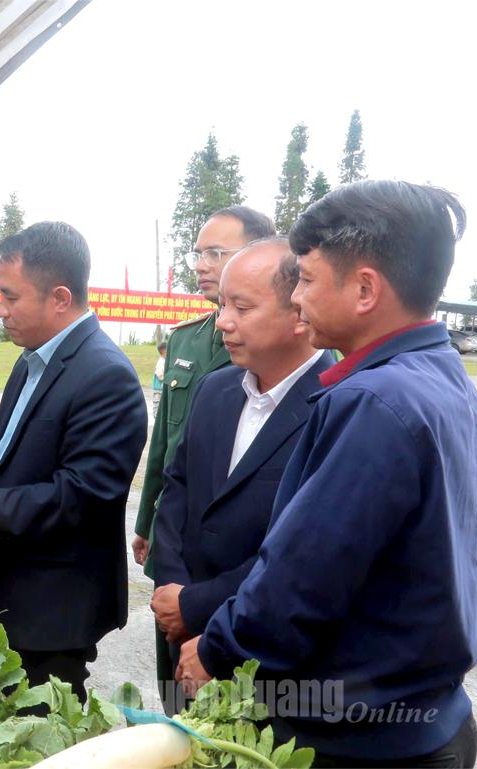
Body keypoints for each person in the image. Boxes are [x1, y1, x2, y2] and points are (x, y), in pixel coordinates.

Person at [178, 181, 477, 767]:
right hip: (430, 720)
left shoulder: (375, 399)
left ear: (366, 288)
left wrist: (216, 649)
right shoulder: (443, 376)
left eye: (309, 280)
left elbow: (301, 580)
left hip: (362, 738)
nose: (296, 299)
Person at [0, 221, 148, 699]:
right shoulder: (37, 355)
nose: (0, 311)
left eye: (10, 298)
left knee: (39, 729)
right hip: (14, 588)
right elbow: (1, 433)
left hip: (53, 607)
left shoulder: (106, 377)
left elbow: (79, 496)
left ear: (59, 298)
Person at [148, 238, 332, 714]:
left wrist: (197, 605)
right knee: (179, 745)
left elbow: (305, 553)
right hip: (179, 630)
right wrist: (173, 593)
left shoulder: (338, 408)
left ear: (299, 312)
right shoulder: (217, 388)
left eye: (242, 307)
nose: (223, 321)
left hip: (261, 658)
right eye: (222, 304)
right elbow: (177, 490)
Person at [131, 205, 273, 701]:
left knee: (235, 704)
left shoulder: (298, 354)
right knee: (174, 684)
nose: (201, 264)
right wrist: (147, 524)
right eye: (198, 253)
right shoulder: (187, 337)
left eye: (216, 252)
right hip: (176, 548)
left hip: (240, 573)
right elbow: (168, 452)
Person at [151, 340, 167, 418]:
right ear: (163, 352)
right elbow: (159, 374)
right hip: (158, 388)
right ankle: (156, 418)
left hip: (161, 388)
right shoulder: (161, 362)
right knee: (157, 405)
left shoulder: (165, 361)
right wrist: (166, 379)